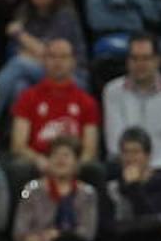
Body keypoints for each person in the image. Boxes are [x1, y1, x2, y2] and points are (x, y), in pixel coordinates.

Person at [0, 0, 86, 122]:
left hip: (73, 76)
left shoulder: (64, 16)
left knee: (19, 64)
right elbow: (18, 51)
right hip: (38, 73)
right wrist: (36, 51)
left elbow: (52, 55)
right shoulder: (25, 13)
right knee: (20, 86)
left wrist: (20, 35)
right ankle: (20, 137)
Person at [8, 38, 98, 175]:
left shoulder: (86, 101)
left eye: (63, 57)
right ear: (44, 60)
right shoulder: (28, 97)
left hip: (74, 163)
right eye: (52, 56)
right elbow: (18, 145)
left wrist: (73, 165)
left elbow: (90, 150)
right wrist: (40, 160)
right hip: (38, 162)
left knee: (94, 171)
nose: (58, 61)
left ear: (73, 62)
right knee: (18, 168)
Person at [102, 32, 161, 170]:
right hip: (123, 162)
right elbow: (115, 142)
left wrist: (150, 169)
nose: (140, 64)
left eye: (146, 58)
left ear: (158, 61)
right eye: (134, 58)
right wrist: (133, 165)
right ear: (127, 61)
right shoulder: (112, 91)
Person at [12, 135, 97, 241]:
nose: (60, 160)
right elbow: (19, 232)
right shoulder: (31, 189)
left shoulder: (88, 193)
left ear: (76, 162)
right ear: (48, 160)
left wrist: (59, 236)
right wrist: (42, 240)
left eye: (66, 155)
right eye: (55, 155)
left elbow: (87, 233)